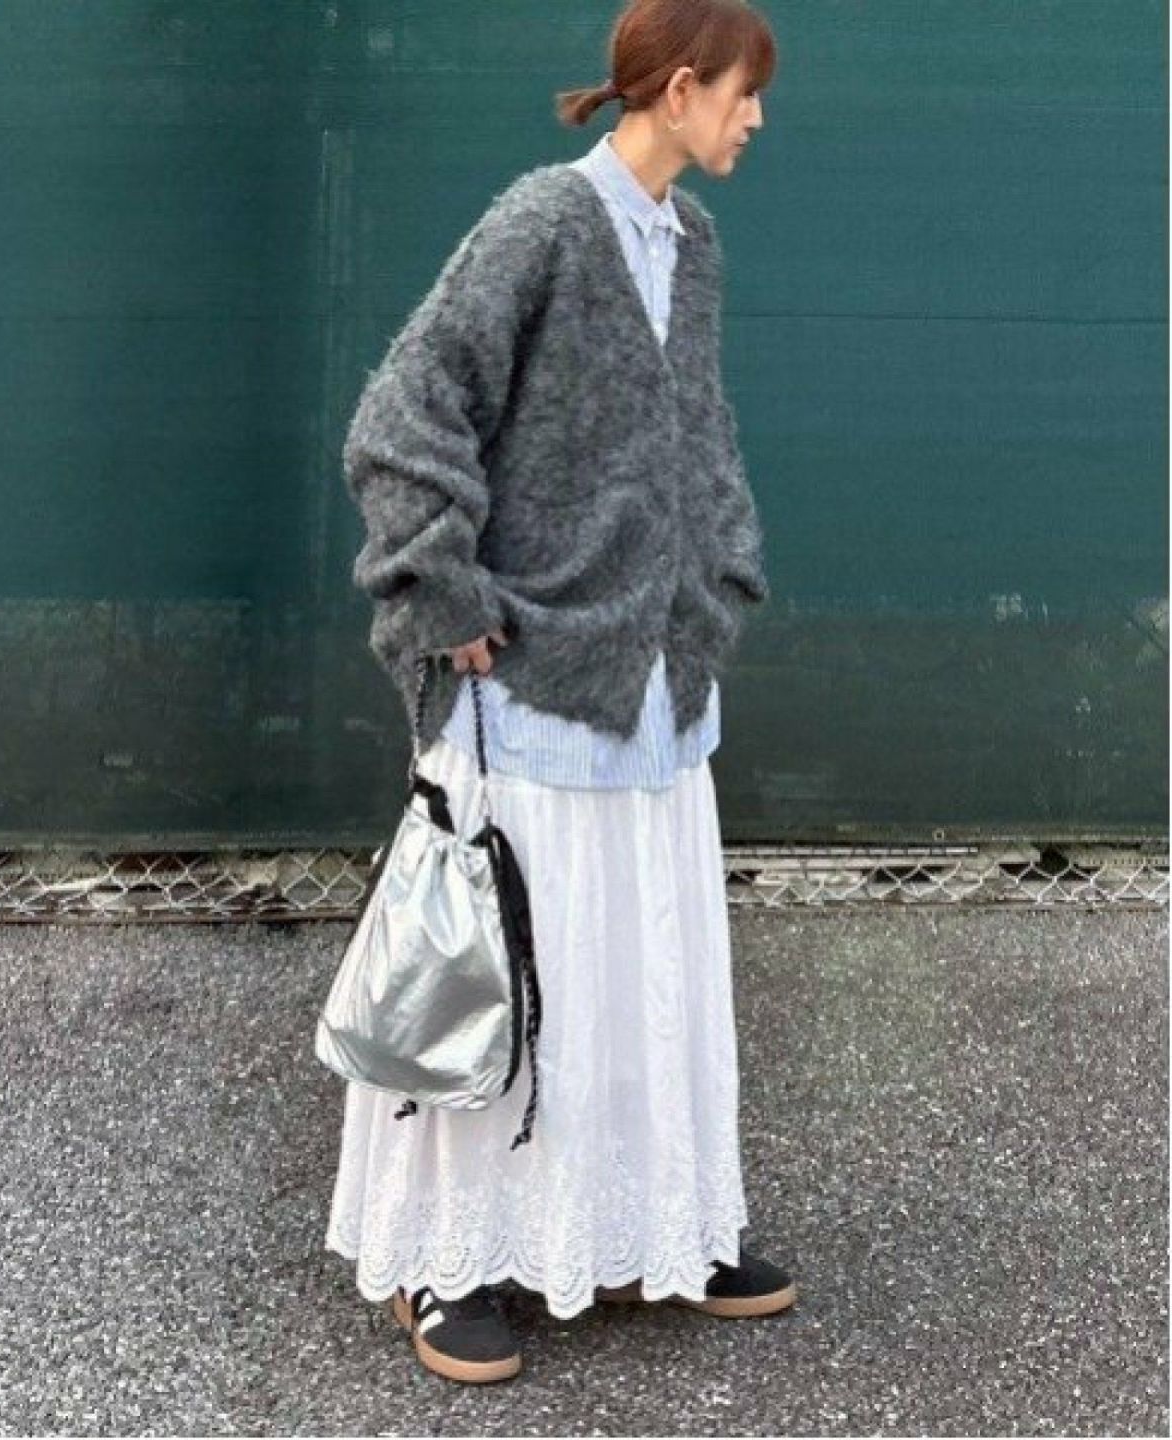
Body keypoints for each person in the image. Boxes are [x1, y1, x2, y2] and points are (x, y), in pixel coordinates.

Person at [326, 0, 796, 1386]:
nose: (757, 118)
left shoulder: (691, 243)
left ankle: (658, 1231)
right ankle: (447, 1261)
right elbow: (406, 411)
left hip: (657, 676)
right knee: (509, 969)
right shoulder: (542, 221)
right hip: (531, 677)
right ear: (681, 88)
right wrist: (439, 588)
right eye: (745, 92)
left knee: (638, 963)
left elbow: (697, 437)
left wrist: (720, 570)